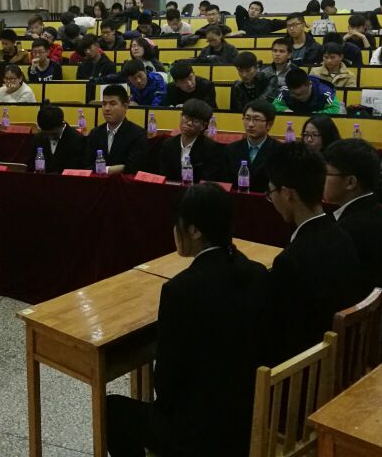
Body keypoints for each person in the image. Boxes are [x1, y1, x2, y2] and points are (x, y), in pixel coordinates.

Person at [105, 184, 268, 457]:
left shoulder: (180, 290)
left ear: (194, 230)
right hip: (248, 417)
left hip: (200, 435)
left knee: (111, 410)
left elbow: (166, 382)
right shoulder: (257, 272)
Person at [265, 143, 368, 365]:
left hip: (310, 366)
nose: (271, 200)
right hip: (343, 355)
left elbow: (282, 337)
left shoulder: (290, 261)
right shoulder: (342, 235)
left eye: (271, 193)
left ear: (287, 194)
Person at [323, 138, 382, 348]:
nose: (321, 179)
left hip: (355, 333)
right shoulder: (375, 212)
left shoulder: (348, 229)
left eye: (327, 174)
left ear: (350, 182)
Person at [85, 85, 148, 175]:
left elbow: (133, 167)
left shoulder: (138, 134)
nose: (107, 108)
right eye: (104, 104)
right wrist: (116, 168)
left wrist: (103, 169)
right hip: (97, 182)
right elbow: (86, 165)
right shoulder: (95, 133)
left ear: (125, 106)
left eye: (112, 104)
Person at [157, 99, 224, 183]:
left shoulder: (211, 148)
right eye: (186, 117)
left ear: (203, 126)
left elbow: (208, 180)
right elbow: (163, 175)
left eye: (195, 121)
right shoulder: (168, 144)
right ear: (181, 116)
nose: (189, 123)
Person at [224, 100, 282, 192]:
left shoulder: (280, 151)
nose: (250, 124)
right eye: (247, 118)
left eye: (257, 119)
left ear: (269, 124)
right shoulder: (231, 149)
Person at [29, 105, 86, 173]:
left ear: (62, 124)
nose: (49, 137)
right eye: (46, 134)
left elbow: (77, 169)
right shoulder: (38, 138)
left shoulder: (77, 140)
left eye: (53, 134)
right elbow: (31, 166)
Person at [272, 69, 340, 115]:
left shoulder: (325, 92)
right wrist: (284, 110)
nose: (299, 97)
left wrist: (318, 114)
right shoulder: (285, 91)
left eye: (301, 94)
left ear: (310, 84)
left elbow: (335, 109)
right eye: (293, 94)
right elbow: (275, 105)